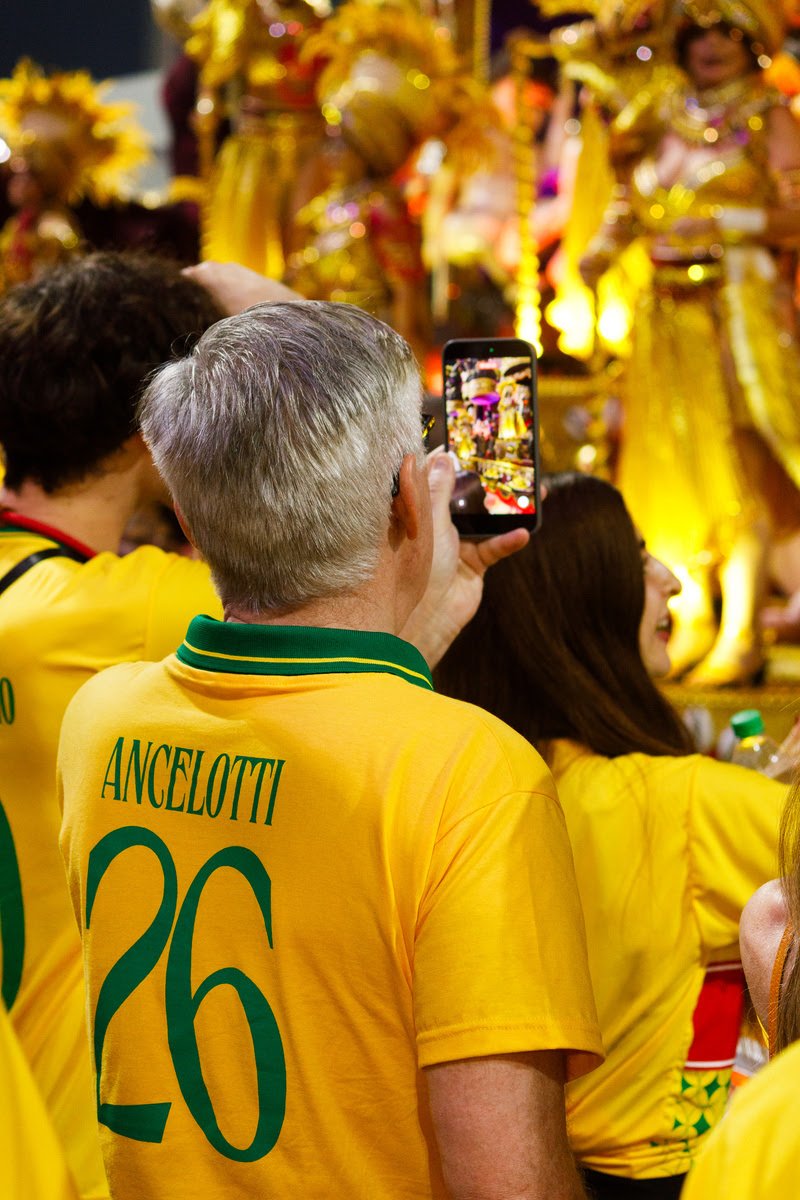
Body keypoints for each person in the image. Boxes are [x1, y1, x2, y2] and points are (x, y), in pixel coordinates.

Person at [57, 300, 603, 1199]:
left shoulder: (100, 720)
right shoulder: (472, 773)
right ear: (409, 496)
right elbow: (508, 1181)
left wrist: (411, 623)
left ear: (188, 521)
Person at [435, 471, 786, 1198]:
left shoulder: (472, 780)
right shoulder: (683, 804)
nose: (672, 582)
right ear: (585, 597)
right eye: (636, 559)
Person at [580, 0, 800, 685]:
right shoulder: (660, 111)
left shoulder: (767, 117)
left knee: (737, 465)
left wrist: (722, 223)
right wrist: (600, 250)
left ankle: (742, 627)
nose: (711, 45)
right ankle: (693, 614)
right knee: (671, 465)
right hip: (662, 319)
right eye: (698, 31)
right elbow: (629, 200)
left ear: (752, 42)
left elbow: (795, 214)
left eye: (727, 32)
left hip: (734, 319)